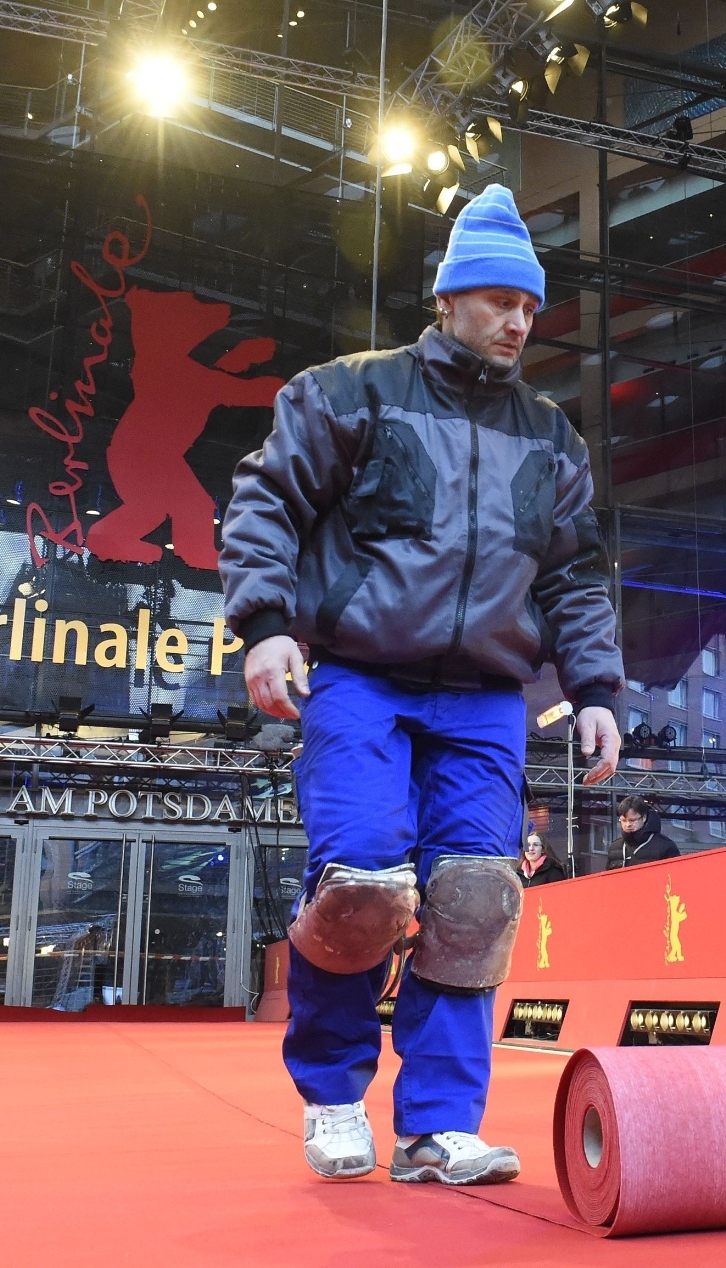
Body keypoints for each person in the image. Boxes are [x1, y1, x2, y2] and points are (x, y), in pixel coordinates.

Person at [220, 184, 624, 1186]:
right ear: (447, 299)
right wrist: (265, 627)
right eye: (498, 300)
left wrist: (600, 688)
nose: (519, 320)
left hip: (487, 695)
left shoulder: (553, 439)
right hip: (360, 675)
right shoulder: (346, 393)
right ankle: (332, 1095)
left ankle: (438, 1123)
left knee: (475, 901)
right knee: (359, 884)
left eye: (530, 306)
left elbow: (574, 573)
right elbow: (266, 497)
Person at [617, 796, 680, 866]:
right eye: (623, 820)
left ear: (644, 818)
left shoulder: (666, 846)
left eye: (632, 820)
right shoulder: (615, 847)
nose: (628, 824)